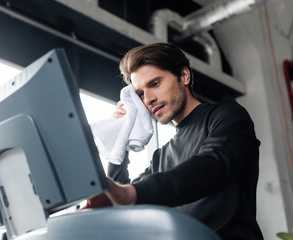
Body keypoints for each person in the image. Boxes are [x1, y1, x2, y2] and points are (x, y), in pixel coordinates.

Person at [85, 42, 263, 240]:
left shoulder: (226, 115)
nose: (148, 99)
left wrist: (132, 193)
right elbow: (124, 202)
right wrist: (121, 136)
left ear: (184, 76)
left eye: (155, 84)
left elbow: (213, 166)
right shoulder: (161, 157)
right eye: (140, 94)